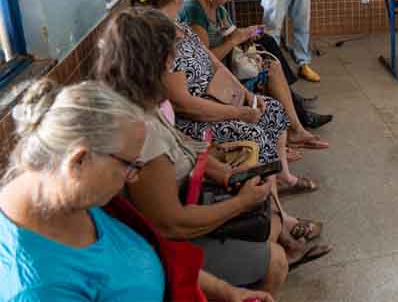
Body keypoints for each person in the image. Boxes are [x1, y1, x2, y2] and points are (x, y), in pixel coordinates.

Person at [95, 8, 331, 290]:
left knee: (266, 212)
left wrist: (227, 174)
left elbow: (183, 146)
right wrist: (239, 203)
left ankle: (280, 236)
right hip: (167, 240)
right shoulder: (140, 135)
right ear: (152, 61)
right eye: (171, 56)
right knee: (273, 251)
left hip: (191, 193)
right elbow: (171, 226)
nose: (174, 63)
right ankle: (271, 262)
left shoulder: (144, 102)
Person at [0, 79, 274, 302]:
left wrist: (227, 292)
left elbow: (151, 251)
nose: (133, 178)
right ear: (79, 160)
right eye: (129, 165)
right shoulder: (40, 289)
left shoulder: (72, 194)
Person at [132, 0, 319, 194]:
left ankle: (282, 177)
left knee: (271, 109)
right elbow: (183, 104)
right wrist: (237, 112)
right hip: (193, 120)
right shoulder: (158, 37)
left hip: (215, 99)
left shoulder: (178, 25)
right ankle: (268, 201)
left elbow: (213, 60)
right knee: (254, 132)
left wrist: (247, 96)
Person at [157, 0, 331, 129]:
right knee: (269, 62)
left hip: (222, 48)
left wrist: (244, 34)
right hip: (216, 62)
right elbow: (206, 57)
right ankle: (296, 115)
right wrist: (234, 41)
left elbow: (225, 27)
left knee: (265, 40)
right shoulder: (188, 5)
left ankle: (293, 104)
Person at [179, 0, 330, 150]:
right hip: (213, 74)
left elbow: (229, 31)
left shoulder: (215, 3)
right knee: (270, 66)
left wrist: (246, 34)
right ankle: (297, 121)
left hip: (226, 59)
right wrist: (234, 41)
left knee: (268, 48)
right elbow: (205, 60)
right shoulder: (193, 10)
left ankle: (296, 124)